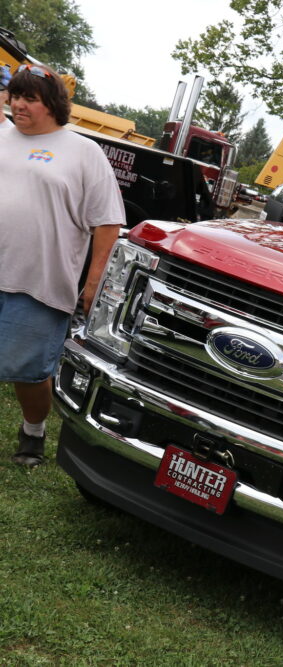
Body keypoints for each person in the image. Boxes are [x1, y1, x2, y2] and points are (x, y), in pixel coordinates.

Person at [0, 63, 125, 467]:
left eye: (29, 98)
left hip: (39, 283)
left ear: (52, 104)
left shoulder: (83, 152)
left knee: (27, 370)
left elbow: (107, 222)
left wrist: (94, 283)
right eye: (15, 95)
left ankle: (33, 431)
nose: (19, 104)